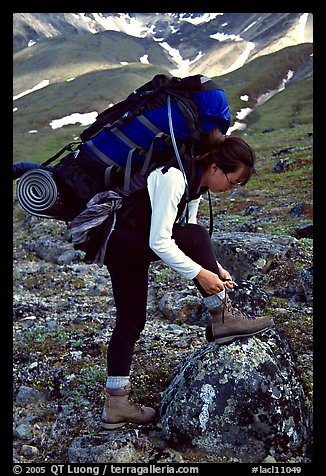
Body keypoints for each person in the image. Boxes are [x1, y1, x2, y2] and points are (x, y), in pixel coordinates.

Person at [98, 132, 274, 429]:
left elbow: (188, 231)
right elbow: (161, 242)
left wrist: (214, 267)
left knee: (130, 322)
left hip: (125, 244)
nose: (229, 191)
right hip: (123, 243)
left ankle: (115, 403)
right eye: (232, 183)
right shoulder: (174, 177)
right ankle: (222, 316)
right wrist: (200, 274)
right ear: (216, 167)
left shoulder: (195, 183)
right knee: (197, 239)